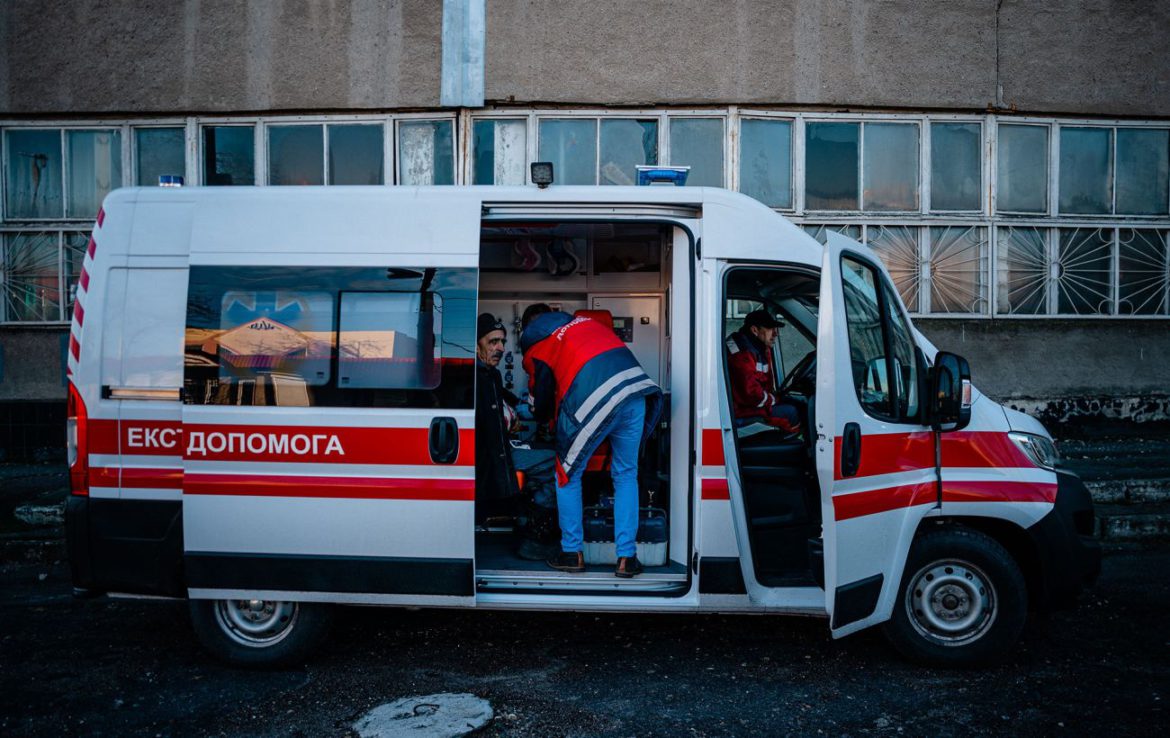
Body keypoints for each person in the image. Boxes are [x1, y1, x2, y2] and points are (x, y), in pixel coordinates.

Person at [519, 303, 663, 578]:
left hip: (597, 396)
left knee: (566, 475)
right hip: (636, 392)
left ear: (527, 329)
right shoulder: (585, 324)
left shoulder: (540, 343)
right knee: (625, 476)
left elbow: (543, 404)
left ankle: (571, 553)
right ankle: (626, 558)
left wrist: (530, 410)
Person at [474, 313, 559, 559]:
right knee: (558, 467)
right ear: (476, 344)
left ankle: (526, 519)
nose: (500, 348)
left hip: (504, 449)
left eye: (502, 341)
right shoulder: (475, 377)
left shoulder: (492, 375)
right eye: (492, 342)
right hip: (494, 456)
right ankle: (536, 535)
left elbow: (504, 403)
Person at [725, 309, 802, 435]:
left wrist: (775, 397)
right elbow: (751, 393)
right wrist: (774, 400)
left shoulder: (758, 347)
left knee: (795, 402)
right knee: (792, 412)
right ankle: (795, 450)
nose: (776, 334)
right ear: (755, 330)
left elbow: (764, 385)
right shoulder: (742, 354)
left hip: (749, 406)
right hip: (741, 412)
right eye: (771, 329)